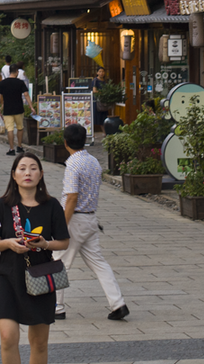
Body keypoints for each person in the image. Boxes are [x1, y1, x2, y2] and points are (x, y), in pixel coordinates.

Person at [0, 153, 70, 364]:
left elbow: (63, 242)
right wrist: (8, 243)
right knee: (8, 337)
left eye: (33, 168)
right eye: (22, 168)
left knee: (39, 342)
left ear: (41, 174)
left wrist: (45, 244)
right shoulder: (3, 205)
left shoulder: (52, 205)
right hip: (9, 277)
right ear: (14, 175)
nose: (28, 172)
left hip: (41, 279)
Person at [52, 124, 128, 321]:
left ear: (65, 142)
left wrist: (62, 225)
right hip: (90, 218)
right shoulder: (94, 161)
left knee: (59, 262)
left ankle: (57, 307)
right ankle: (117, 303)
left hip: (74, 218)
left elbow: (71, 198)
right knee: (99, 263)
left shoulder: (72, 164)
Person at [0, 65, 33, 156]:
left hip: (8, 109)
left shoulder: (3, 83)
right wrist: (31, 106)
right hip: (19, 108)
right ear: (17, 72)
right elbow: (26, 94)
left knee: (10, 129)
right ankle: (19, 146)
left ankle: (11, 149)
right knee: (20, 128)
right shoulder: (20, 82)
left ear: (9, 72)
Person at [91, 67, 109, 132]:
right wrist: (103, 92)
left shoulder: (104, 80)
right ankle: (92, 133)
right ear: (97, 73)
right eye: (100, 71)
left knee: (103, 117)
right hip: (97, 101)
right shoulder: (95, 80)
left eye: (103, 71)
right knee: (95, 117)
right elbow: (94, 90)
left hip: (103, 101)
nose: (101, 73)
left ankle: (104, 132)